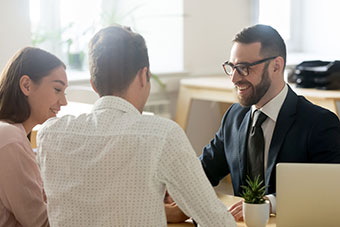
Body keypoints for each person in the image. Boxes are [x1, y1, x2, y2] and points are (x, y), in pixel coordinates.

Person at [37, 25, 236, 227]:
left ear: (94, 85)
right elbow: (216, 220)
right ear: (144, 75)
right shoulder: (163, 135)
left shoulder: (49, 134)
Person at [199, 24, 340, 221]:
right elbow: (204, 170)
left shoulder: (320, 124)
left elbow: (330, 191)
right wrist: (171, 193)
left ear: (276, 65)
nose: (234, 78)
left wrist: (269, 203)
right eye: (231, 67)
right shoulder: (234, 116)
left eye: (244, 68)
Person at [0, 47, 68, 226]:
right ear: (26, 85)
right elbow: (40, 222)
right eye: (57, 89)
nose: (64, 102)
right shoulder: (10, 138)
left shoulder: (13, 134)